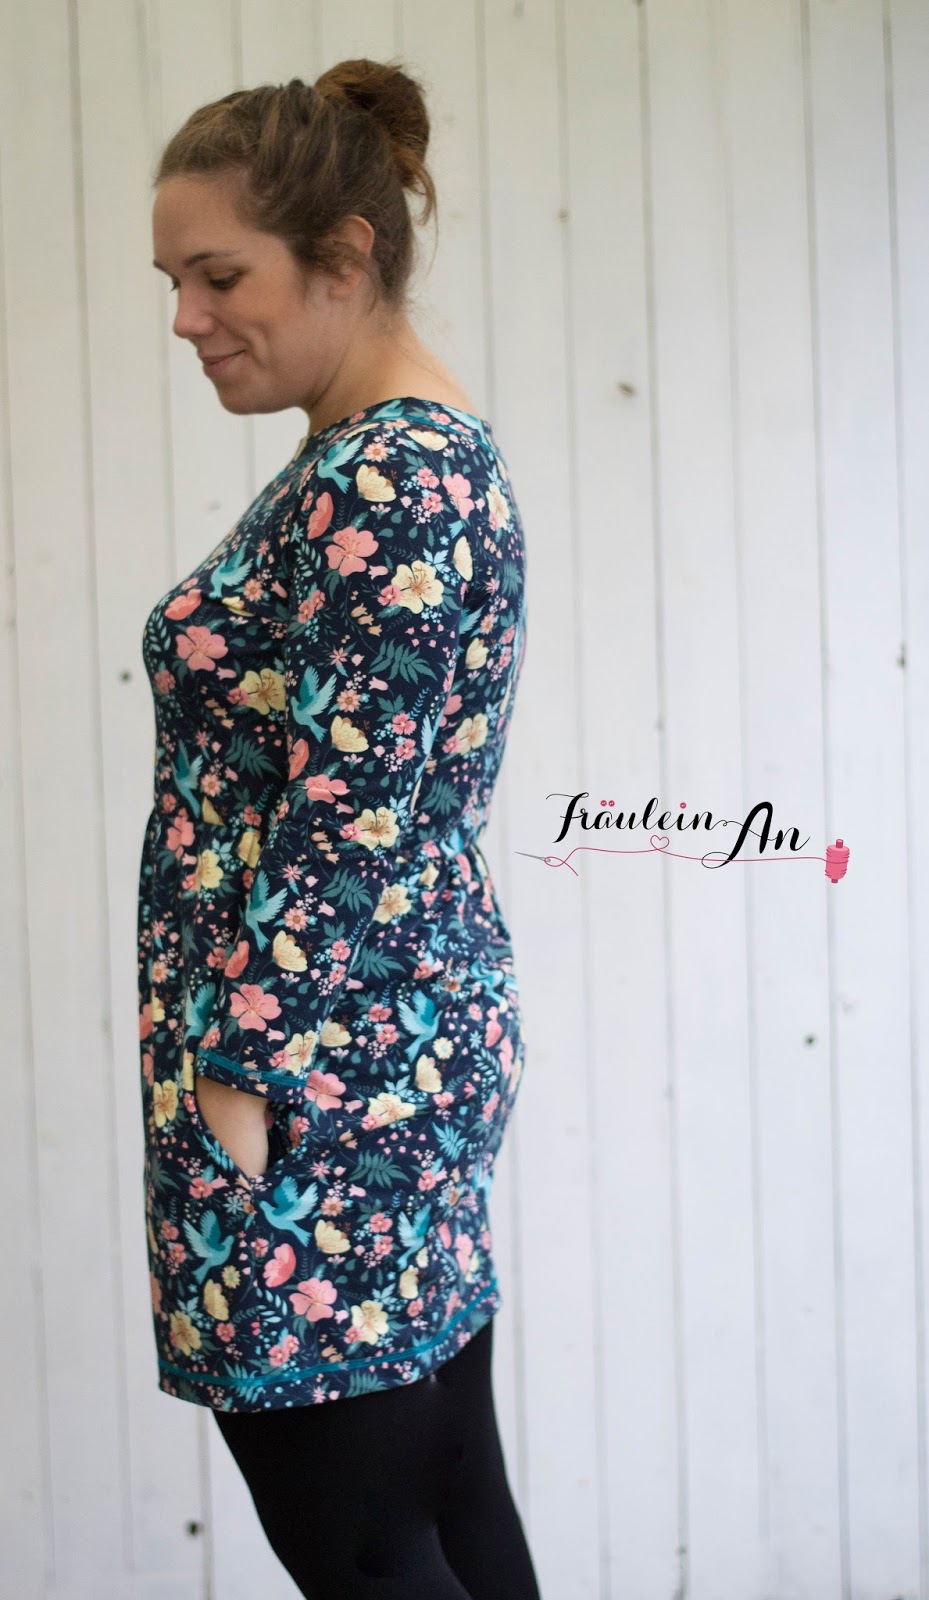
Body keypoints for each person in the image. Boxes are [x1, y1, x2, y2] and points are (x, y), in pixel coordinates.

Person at [139, 59, 541, 1599]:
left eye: (219, 275)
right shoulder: (386, 458)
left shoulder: (389, 477)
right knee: (441, 1508)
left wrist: (237, 1081)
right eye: (176, 283)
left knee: (370, 1551)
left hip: (316, 1086)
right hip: (375, 1058)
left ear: (345, 254)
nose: (189, 317)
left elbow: (347, 816)